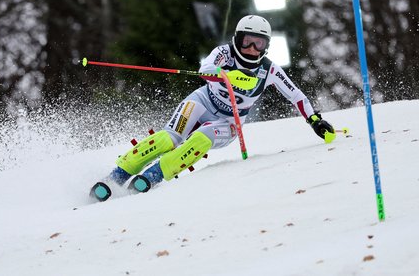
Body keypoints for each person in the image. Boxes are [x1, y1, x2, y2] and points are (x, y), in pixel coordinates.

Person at [91, 15, 335, 201]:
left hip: (229, 122)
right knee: (168, 138)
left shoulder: (269, 69)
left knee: (200, 138)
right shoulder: (224, 53)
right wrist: (224, 72)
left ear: (266, 46)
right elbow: (206, 67)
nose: (251, 49)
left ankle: (153, 176)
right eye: (246, 41)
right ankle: (118, 175)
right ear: (237, 39)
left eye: (258, 44)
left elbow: (296, 95)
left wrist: (314, 120)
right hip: (202, 101)